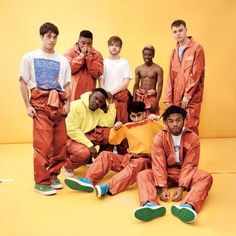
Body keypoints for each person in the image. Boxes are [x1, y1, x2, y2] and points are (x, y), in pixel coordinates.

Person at [64, 101, 164, 198]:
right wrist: (115, 129)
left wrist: (157, 118)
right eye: (133, 116)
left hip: (147, 161)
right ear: (129, 116)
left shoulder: (152, 123)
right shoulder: (126, 127)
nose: (136, 119)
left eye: (139, 115)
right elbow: (113, 141)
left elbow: (168, 128)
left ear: (145, 113)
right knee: (105, 155)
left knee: (138, 163)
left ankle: (108, 187)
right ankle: (88, 181)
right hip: (129, 158)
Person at [134, 105, 213, 223]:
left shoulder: (193, 138)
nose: (175, 124)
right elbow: (158, 163)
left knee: (206, 177)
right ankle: (150, 205)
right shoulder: (159, 138)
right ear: (165, 122)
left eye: (178, 120)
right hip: (166, 172)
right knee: (143, 175)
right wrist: (162, 188)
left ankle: (188, 206)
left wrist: (181, 188)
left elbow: (190, 164)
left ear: (184, 120)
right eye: (171, 121)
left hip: (186, 173)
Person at [19, 22, 71, 196]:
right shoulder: (30, 57)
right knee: (42, 145)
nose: (52, 39)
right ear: (41, 36)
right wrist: (27, 106)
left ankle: (53, 175)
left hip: (59, 104)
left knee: (60, 144)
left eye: (55, 36)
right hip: (40, 104)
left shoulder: (63, 60)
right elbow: (22, 81)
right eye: (48, 36)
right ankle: (41, 182)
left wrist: (68, 104)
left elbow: (67, 84)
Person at [164, 20, 205, 135]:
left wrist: (187, 95)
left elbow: (196, 74)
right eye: (175, 31)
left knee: (190, 126)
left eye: (180, 30)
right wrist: (168, 100)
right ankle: (179, 153)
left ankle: (193, 152)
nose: (178, 33)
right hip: (176, 97)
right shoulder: (174, 52)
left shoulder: (197, 48)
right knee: (176, 128)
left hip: (191, 97)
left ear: (186, 30)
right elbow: (170, 77)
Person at [63, 88, 116, 177]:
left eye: (101, 101)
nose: (97, 102)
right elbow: (71, 130)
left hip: (83, 136)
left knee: (110, 134)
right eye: (95, 98)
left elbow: (109, 122)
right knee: (84, 153)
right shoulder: (75, 105)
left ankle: (99, 163)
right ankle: (67, 165)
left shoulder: (98, 111)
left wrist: (110, 103)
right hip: (68, 138)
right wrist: (90, 145)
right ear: (90, 95)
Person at [99, 36, 132, 154]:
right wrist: (105, 96)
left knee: (122, 125)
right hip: (107, 100)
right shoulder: (103, 62)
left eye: (117, 45)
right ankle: (104, 154)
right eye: (112, 45)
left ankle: (123, 154)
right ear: (108, 46)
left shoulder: (124, 62)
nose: (114, 47)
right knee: (107, 126)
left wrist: (111, 93)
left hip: (120, 98)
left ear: (120, 48)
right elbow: (101, 80)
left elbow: (126, 82)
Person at [64, 30, 103, 100]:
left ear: (92, 43)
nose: (86, 46)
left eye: (89, 44)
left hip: (89, 95)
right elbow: (69, 69)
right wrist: (82, 56)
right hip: (73, 94)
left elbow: (97, 73)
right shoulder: (69, 52)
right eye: (83, 43)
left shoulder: (97, 55)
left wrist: (89, 58)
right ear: (78, 42)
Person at [133, 45, 163, 115]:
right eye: (145, 54)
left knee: (152, 119)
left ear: (153, 55)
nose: (147, 57)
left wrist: (156, 102)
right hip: (140, 98)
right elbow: (136, 85)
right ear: (142, 55)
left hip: (151, 98)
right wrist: (134, 100)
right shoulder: (138, 69)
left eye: (149, 55)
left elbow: (160, 87)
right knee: (139, 119)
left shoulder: (158, 69)